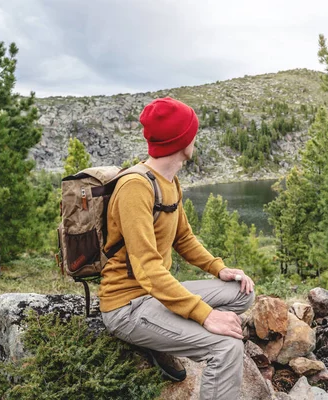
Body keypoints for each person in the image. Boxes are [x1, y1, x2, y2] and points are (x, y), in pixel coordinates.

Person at [99, 97, 255, 400]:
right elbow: (147, 268)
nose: (195, 138)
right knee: (225, 347)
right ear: (181, 140)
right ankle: (159, 336)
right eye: (192, 132)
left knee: (242, 292)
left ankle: (163, 337)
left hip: (153, 296)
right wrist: (204, 315)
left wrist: (218, 268)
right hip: (127, 306)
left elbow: (183, 238)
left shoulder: (168, 180)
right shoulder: (135, 186)